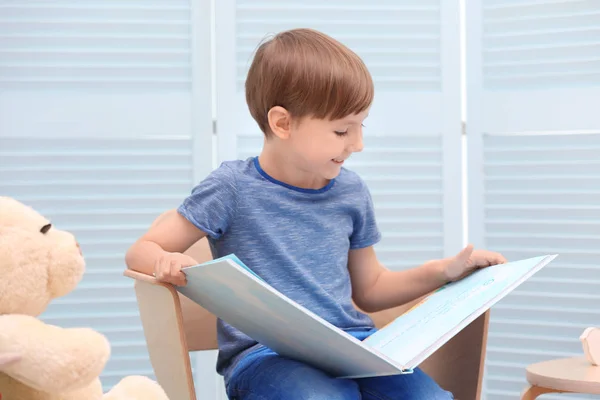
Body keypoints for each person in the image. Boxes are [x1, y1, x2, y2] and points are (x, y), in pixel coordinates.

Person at [125, 28, 507, 400]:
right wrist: (164, 259)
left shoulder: (350, 191)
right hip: (265, 357)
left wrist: (446, 272)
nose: (357, 144)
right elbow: (143, 249)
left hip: (356, 348)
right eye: (342, 131)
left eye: (361, 127)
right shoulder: (231, 188)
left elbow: (372, 290)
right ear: (283, 123)